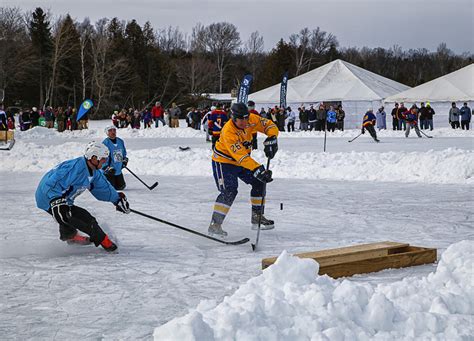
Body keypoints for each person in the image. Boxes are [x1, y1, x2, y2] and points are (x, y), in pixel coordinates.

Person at [35, 141, 130, 252]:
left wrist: (117, 199)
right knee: (83, 218)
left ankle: (70, 236)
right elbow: (50, 183)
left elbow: (104, 188)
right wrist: (56, 201)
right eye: (103, 158)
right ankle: (104, 241)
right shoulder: (74, 168)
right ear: (94, 158)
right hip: (47, 196)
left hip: (65, 199)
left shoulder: (95, 172)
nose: (105, 162)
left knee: (68, 213)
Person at [208, 102, 279, 236]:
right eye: (242, 119)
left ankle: (257, 216)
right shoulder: (228, 131)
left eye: (247, 118)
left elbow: (270, 125)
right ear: (233, 118)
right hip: (224, 162)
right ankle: (215, 225)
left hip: (242, 161)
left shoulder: (251, 119)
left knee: (259, 181)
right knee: (229, 190)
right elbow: (240, 156)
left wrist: (272, 137)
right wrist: (258, 168)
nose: (246, 121)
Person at [102, 126, 128, 190]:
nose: (113, 132)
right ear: (107, 133)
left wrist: (124, 160)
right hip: (110, 170)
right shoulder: (105, 143)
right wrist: (106, 167)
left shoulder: (120, 141)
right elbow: (103, 157)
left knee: (121, 187)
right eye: (110, 130)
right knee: (111, 188)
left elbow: (123, 152)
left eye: (114, 130)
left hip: (118, 169)